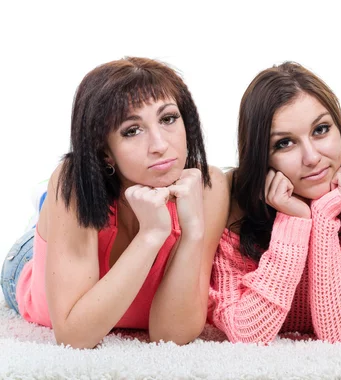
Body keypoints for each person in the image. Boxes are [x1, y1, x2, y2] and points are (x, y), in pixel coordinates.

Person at [1, 57, 229, 349]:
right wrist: (151, 234)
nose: (160, 145)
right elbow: (74, 336)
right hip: (26, 266)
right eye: (132, 130)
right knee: (58, 212)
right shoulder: (73, 182)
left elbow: (172, 336)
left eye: (168, 118)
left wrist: (193, 231)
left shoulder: (208, 186)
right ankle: (46, 214)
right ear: (105, 152)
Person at [208, 62, 341, 343]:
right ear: (262, 157)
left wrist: (323, 219)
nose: (311, 157)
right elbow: (246, 334)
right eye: (284, 143)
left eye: (321, 129)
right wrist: (295, 221)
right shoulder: (228, 207)